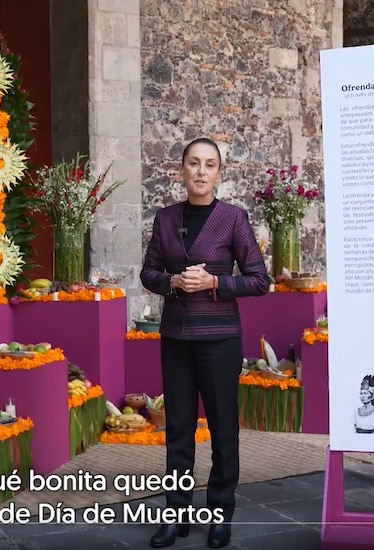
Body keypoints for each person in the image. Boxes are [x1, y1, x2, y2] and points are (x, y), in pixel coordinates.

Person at [140, 137, 271, 548]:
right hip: (176, 339)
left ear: (218, 172)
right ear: (181, 169)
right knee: (177, 430)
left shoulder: (233, 218)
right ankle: (175, 514)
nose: (200, 171)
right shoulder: (165, 218)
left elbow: (258, 280)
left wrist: (216, 282)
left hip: (219, 341)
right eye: (193, 163)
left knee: (222, 430)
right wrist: (173, 281)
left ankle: (219, 514)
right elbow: (148, 273)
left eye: (209, 164)